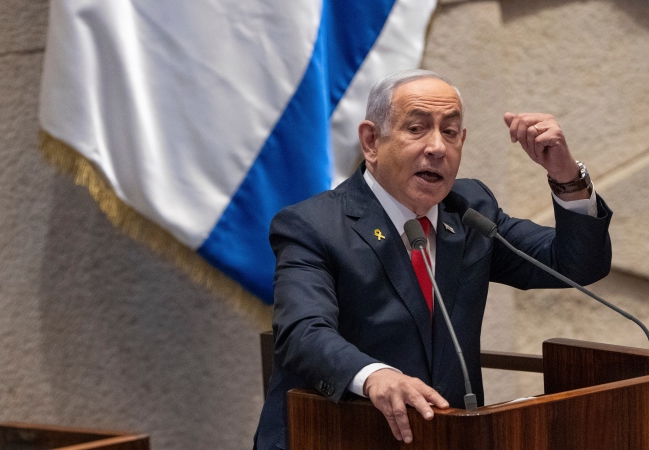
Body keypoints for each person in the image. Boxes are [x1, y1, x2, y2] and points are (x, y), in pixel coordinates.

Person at [253, 69, 612, 449]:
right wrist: (374, 375)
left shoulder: (470, 210)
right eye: (417, 128)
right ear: (372, 141)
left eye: (451, 132)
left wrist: (565, 176)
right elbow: (303, 332)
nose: (437, 147)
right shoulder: (314, 225)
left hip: (446, 435)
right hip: (335, 434)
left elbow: (576, 264)